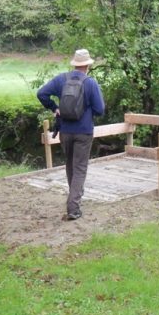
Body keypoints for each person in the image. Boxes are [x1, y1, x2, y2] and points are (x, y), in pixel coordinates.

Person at [37, 49, 105, 221]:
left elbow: (41, 93)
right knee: (80, 168)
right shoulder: (90, 83)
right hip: (84, 132)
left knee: (70, 165)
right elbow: (100, 110)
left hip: (65, 131)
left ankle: (74, 198)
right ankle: (73, 207)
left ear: (74, 64)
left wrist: (55, 108)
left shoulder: (61, 79)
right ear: (88, 65)